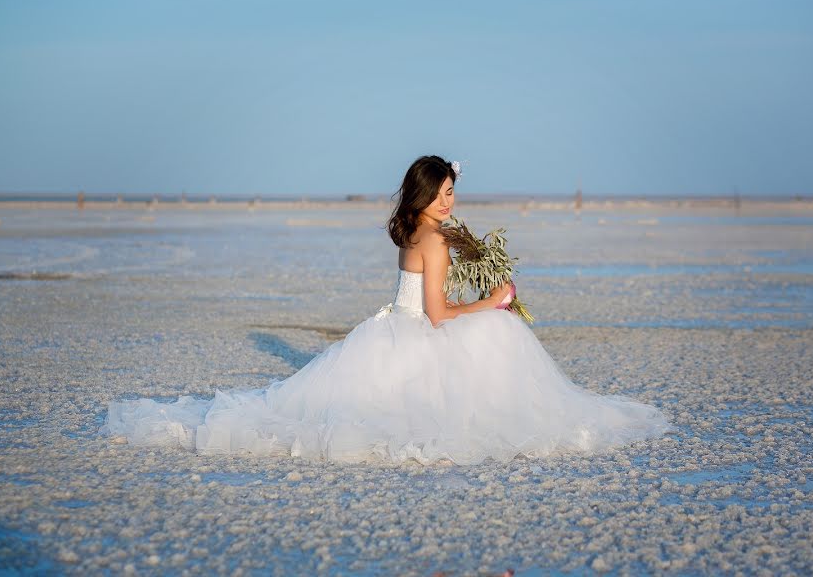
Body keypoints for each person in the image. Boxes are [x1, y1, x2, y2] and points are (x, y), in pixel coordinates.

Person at [100, 155, 671, 465]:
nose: (452, 202)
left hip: (389, 330)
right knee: (496, 339)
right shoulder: (436, 240)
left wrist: (476, 300)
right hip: (411, 334)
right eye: (445, 193)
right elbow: (439, 317)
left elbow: (430, 303)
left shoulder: (413, 234)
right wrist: (493, 303)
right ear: (426, 196)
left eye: (453, 192)